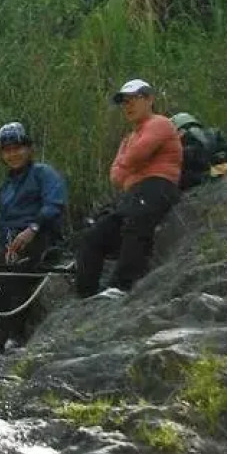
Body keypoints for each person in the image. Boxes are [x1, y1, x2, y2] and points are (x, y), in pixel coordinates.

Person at [75, 78, 183, 299]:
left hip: (158, 185)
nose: (128, 105)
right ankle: (86, 296)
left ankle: (122, 285)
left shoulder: (160, 123)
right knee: (94, 236)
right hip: (132, 194)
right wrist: (131, 162)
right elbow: (115, 176)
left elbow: (136, 155)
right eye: (124, 102)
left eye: (134, 99)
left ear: (150, 99)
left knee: (137, 224)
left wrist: (130, 162)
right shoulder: (129, 138)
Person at [0, 122, 68, 350]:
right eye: (7, 150)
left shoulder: (42, 173)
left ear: (28, 148)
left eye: (17, 148)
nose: (13, 154)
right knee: (2, 287)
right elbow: (3, 221)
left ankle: (16, 337)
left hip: (42, 235)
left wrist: (33, 228)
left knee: (18, 272)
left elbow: (55, 203)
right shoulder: (5, 186)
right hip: (13, 242)